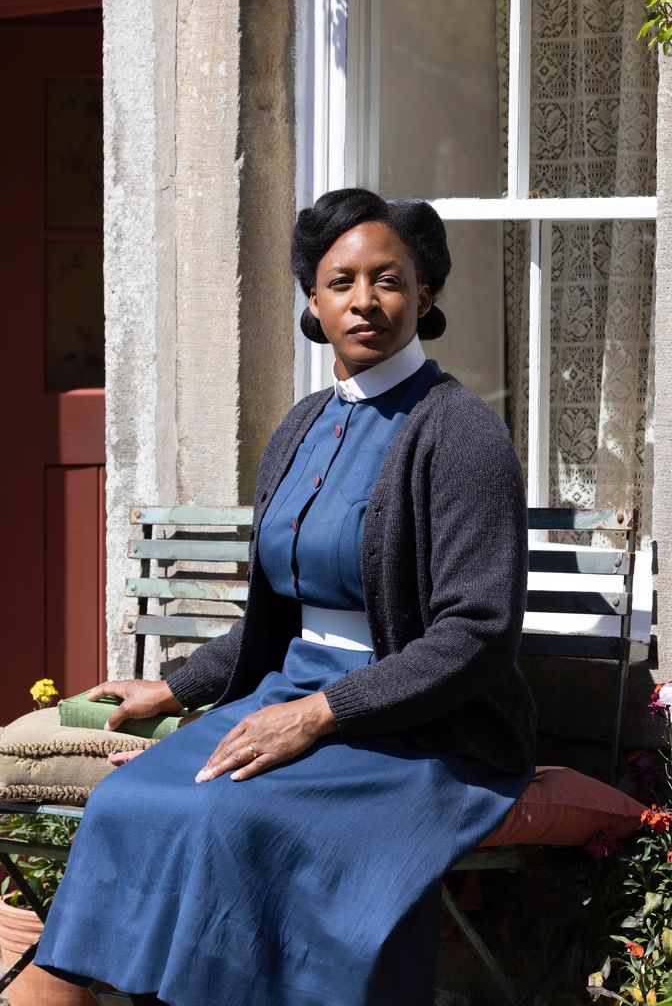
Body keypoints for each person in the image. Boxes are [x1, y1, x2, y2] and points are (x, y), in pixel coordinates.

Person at [35, 188, 537, 1006]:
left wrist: (317, 715)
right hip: (289, 694)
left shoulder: (462, 432)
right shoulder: (301, 426)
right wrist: (174, 686)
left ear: (426, 294)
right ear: (314, 300)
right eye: (341, 282)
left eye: (388, 280)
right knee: (126, 802)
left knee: (228, 822)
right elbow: (278, 615)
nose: (365, 301)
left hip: (425, 730)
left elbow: (477, 634)